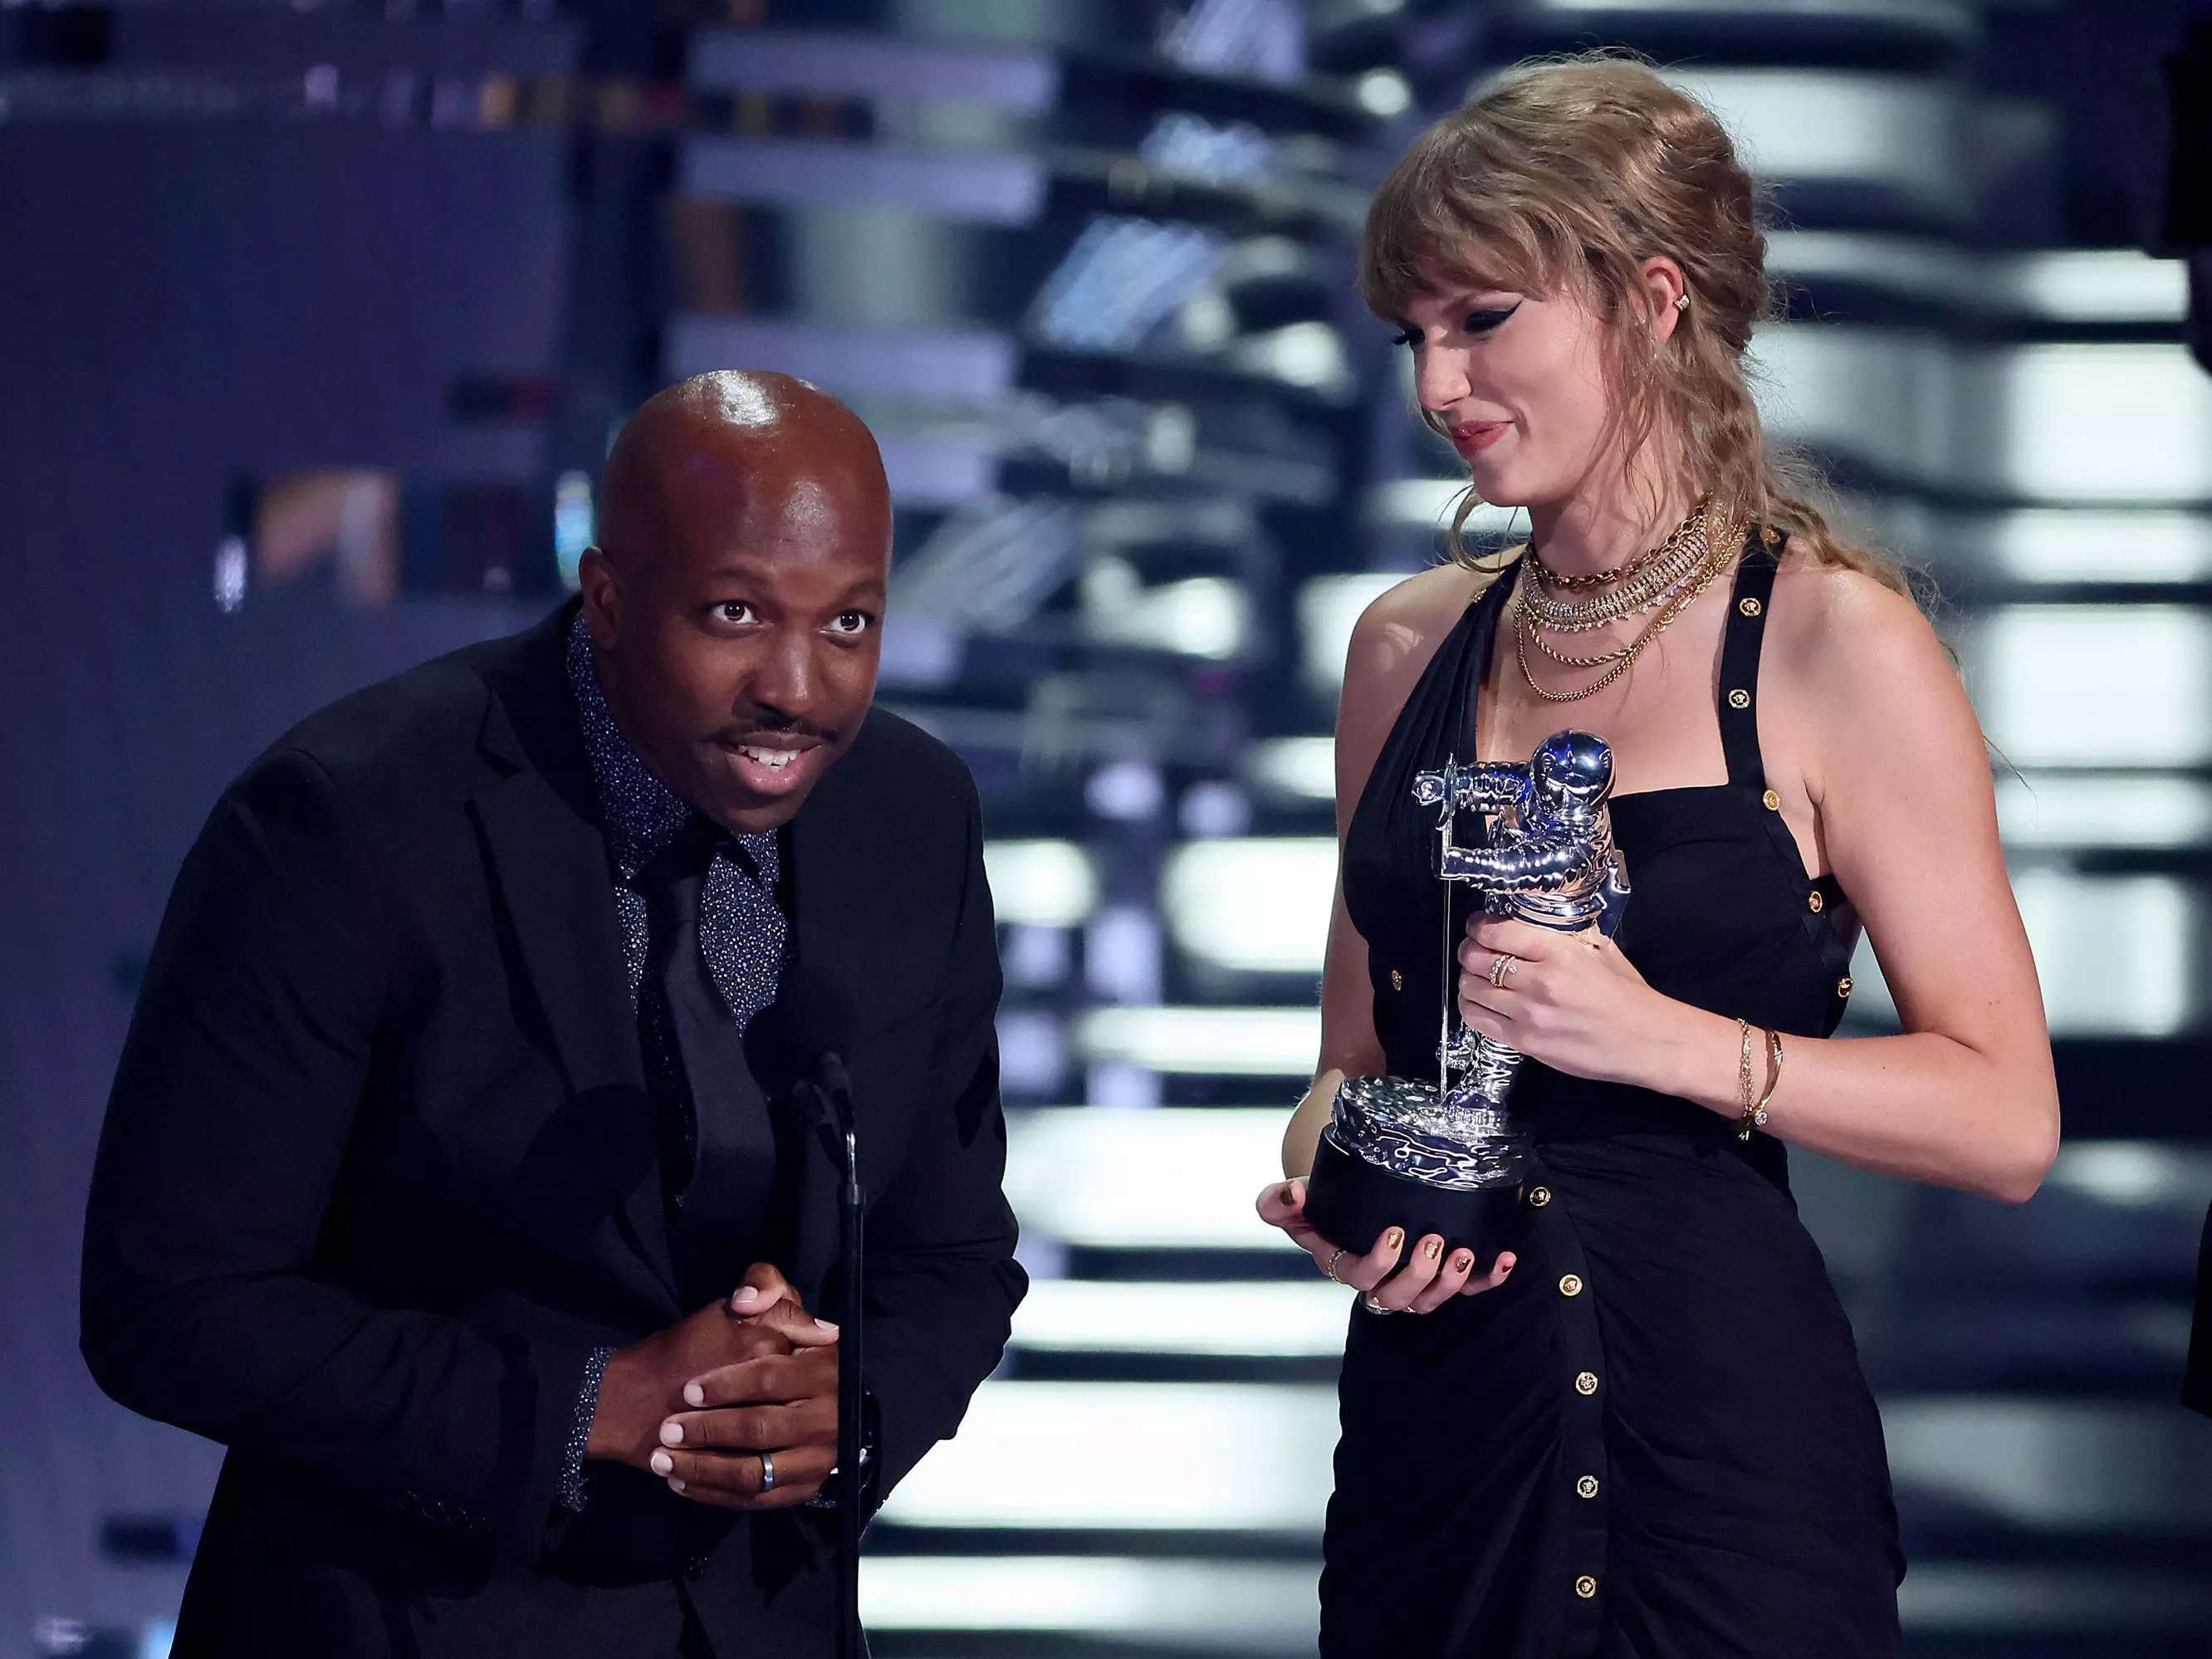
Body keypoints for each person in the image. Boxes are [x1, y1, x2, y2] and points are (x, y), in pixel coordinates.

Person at [1254, 59, 2060, 1658]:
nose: (1437, 381)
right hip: (1442, 1442)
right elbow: (1353, 1056)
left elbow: (2005, 1115)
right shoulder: (1403, 653)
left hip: (1727, 1465)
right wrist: (1356, 1193)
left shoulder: (1837, 645)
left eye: (1482, 318)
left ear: (1655, 300)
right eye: (1412, 333)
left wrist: (1668, 1043)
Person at [81, 370, 1026, 1657]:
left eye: (850, 623)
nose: (797, 688)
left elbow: (953, 1255)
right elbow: (172, 1301)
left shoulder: (913, 816)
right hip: (400, 1617)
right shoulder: (348, 819)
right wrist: (587, 1406)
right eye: (737, 612)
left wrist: (845, 1411)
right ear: (609, 596)